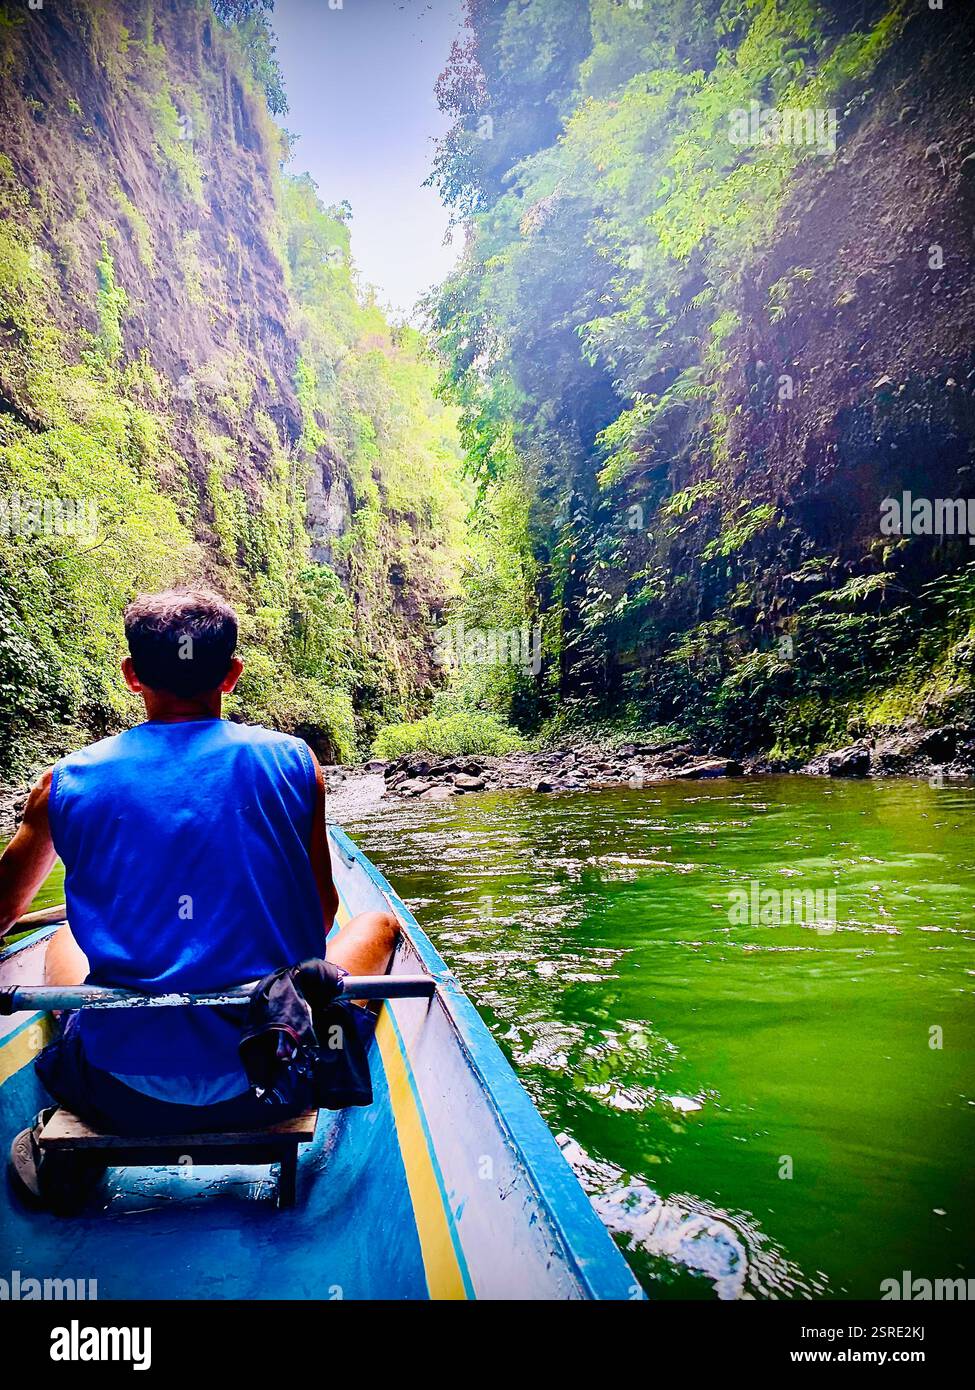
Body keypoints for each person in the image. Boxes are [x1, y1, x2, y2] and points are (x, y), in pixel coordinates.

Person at [0, 587, 398, 1194]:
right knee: (376, 927)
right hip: (266, 1084)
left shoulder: (64, 782)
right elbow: (320, 916)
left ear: (132, 676)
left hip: (121, 1093)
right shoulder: (295, 763)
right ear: (232, 674)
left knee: (62, 943)